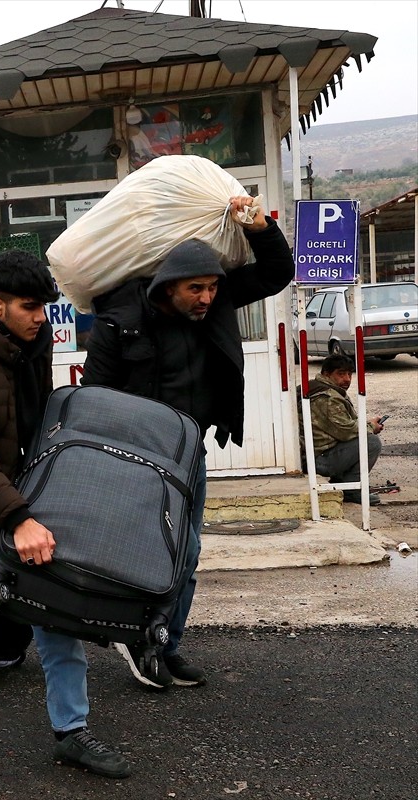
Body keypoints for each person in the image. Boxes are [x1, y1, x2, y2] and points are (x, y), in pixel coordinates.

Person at [0, 251, 131, 780]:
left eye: (46, 307)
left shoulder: (29, 346)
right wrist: (17, 519)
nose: (42, 317)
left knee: (57, 621)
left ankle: (72, 733)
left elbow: (36, 426)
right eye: (31, 307)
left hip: (21, 502)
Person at [82, 195, 293, 690]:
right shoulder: (121, 318)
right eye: (196, 288)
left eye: (213, 287)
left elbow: (276, 272)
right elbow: (93, 396)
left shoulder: (216, 304)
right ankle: (143, 640)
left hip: (189, 452)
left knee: (188, 553)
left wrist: (261, 228)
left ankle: (167, 644)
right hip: (138, 459)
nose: (206, 297)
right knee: (157, 552)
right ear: (166, 285)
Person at [307, 353, 385, 506]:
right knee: (371, 443)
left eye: (349, 374)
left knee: (363, 437)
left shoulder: (318, 387)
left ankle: (342, 482)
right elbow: (346, 431)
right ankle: (350, 490)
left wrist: (366, 424)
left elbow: (342, 425)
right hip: (317, 459)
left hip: (315, 454)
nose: (347, 379)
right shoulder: (329, 398)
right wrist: (370, 427)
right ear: (326, 374)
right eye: (341, 374)